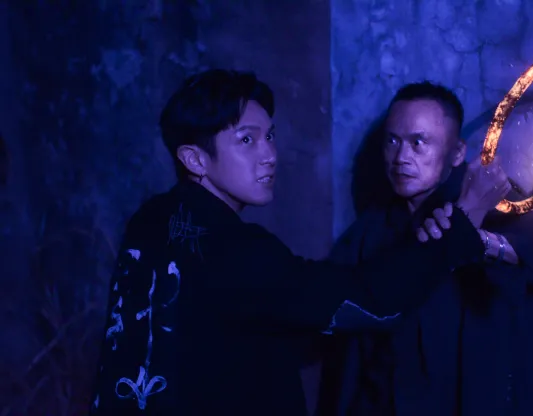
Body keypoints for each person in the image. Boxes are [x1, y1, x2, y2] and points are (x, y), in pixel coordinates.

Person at [86, 70, 504, 416]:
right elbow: (370, 302)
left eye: (269, 136)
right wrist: (464, 219)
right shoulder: (238, 249)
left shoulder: (150, 219)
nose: (269, 154)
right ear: (194, 159)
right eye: (246, 140)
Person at [316, 81, 533, 415]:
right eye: (393, 141)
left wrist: (485, 242)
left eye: (418, 143)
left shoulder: (494, 205)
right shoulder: (369, 231)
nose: (401, 158)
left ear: (457, 153)